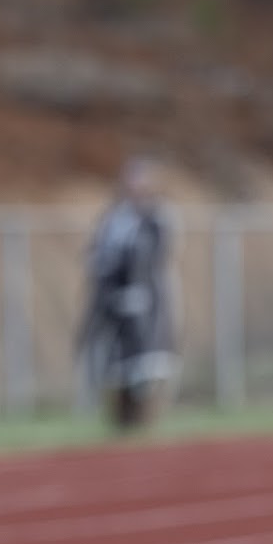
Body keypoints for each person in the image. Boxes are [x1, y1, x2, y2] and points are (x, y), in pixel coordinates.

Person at [78, 155, 179, 429]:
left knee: (146, 368)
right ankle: (120, 422)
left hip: (145, 304)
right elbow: (98, 254)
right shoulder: (114, 218)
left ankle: (145, 420)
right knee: (114, 364)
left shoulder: (155, 217)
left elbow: (155, 253)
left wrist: (137, 285)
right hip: (113, 302)